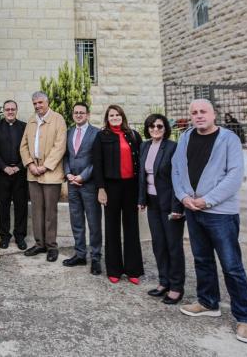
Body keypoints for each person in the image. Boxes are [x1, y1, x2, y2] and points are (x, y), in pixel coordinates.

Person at [172, 99, 247, 344]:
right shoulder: (185, 137)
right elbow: (176, 169)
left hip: (220, 214)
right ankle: (208, 302)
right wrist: (183, 197)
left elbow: (234, 176)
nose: (198, 116)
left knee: (232, 266)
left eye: (203, 111)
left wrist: (207, 201)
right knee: (202, 259)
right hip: (192, 209)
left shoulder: (229, 139)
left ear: (213, 114)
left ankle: (245, 318)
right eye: (194, 112)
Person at [92, 104, 143, 284]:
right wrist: (101, 189)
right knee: (112, 227)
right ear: (107, 118)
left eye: (117, 114)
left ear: (123, 116)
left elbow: (141, 164)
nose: (115, 117)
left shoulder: (133, 135)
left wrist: (142, 192)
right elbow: (97, 164)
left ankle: (133, 270)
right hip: (110, 187)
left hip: (131, 187)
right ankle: (114, 269)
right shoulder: (101, 136)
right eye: (111, 115)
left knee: (132, 227)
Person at [139, 113, 183, 304]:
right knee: (158, 244)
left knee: (173, 246)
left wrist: (177, 207)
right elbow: (142, 175)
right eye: (152, 126)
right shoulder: (144, 146)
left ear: (165, 129)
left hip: (170, 204)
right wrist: (141, 199)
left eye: (159, 126)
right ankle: (164, 282)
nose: (155, 129)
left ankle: (176, 287)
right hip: (153, 203)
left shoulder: (173, 147)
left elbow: (179, 178)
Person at [20, 92, 67, 262]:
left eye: (40, 102)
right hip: (33, 173)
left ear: (47, 102)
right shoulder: (32, 120)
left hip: (51, 173)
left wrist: (45, 166)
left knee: (50, 211)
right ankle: (39, 243)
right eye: (35, 103)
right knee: (37, 210)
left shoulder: (58, 119)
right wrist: (30, 164)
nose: (37, 106)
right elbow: (23, 145)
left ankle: (51, 246)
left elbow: (60, 146)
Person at [63, 102, 102, 275]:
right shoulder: (69, 132)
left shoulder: (96, 133)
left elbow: (97, 160)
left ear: (88, 114)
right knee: (76, 221)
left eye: (82, 112)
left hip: (89, 184)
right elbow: (65, 156)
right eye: (76, 112)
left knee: (94, 223)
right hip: (72, 185)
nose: (78, 115)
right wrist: (68, 174)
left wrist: (83, 176)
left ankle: (96, 257)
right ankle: (80, 254)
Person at [0, 100, 28, 250]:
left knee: (21, 206)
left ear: (16, 110)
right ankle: (4, 236)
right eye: (7, 109)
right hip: (2, 174)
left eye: (13, 109)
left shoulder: (24, 127)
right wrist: (4, 167)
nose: (10, 111)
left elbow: (28, 149)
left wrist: (18, 167)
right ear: (3, 111)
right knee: (3, 206)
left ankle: (20, 236)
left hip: (20, 173)